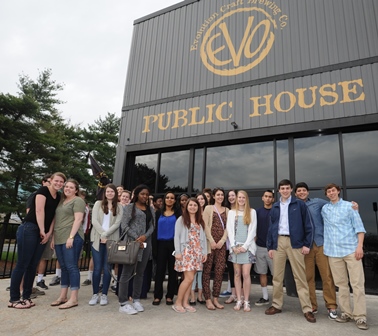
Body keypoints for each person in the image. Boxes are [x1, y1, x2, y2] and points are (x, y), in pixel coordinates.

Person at [8, 172, 66, 309]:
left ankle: (26, 297)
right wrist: (41, 230)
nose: (58, 184)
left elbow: (53, 217)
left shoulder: (58, 197)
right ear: (50, 180)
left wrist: (49, 233)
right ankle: (14, 299)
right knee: (22, 264)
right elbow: (39, 211)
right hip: (30, 229)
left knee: (32, 265)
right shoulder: (42, 191)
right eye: (56, 181)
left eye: (61, 182)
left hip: (44, 233)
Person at [265, 179, 316, 323]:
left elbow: (309, 225)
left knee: (300, 277)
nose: (285, 190)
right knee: (277, 277)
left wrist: (307, 244)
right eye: (282, 188)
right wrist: (270, 246)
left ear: (291, 189)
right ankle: (276, 305)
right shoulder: (275, 206)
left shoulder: (299, 204)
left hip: (296, 243)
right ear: (279, 190)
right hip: (279, 242)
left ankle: (307, 309)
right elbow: (271, 228)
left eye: (287, 188)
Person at [321, 183, 369, 330]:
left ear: (338, 191)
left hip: (351, 250)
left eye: (333, 190)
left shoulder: (350, 206)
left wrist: (360, 246)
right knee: (341, 285)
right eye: (328, 191)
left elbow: (359, 228)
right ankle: (346, 313)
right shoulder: (325, 209)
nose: (331, 193)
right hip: (333, 252)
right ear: (326, 194)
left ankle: (360, 316)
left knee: (357, 284)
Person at [118, 185, 155, 315]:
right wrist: (137, 238)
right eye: (142, 194)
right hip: (132, 243)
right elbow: (124, 225)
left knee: (140, 272)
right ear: (137, 194)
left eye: (147, 194)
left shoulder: (150, 209)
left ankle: (136, 299)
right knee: (127, 273)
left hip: (146, 244)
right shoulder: (129, 208)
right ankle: (123, 302)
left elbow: (152, 226)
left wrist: (145, 236)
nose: (144, 196)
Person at [50, 179, 86, 309]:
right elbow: (57, 220)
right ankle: (63, 296)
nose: (68, 189)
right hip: (59, 237)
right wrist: (53, 238)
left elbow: (78, 219)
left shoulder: (78, 201)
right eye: (66, 187)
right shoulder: (61, 201)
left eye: (71, 187)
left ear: (76, 190)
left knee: (71, 267)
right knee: (63, 267)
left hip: (72, 237)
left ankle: (74, 298)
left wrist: (71, 237)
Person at [88, 184, 123, 306]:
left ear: (115, 193)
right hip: (97, 239)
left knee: (107, 268)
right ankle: (94, 294)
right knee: (97, 268)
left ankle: (104, 295)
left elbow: (117, 223)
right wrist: (102, 234)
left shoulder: (119, 206)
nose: (109, 193)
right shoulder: (98, 204)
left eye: (112, 192)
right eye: (107, 191)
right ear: (105, 193)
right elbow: (94, 221)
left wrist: (106, 235)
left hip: (111, 240)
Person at [172, 198, 207, 313]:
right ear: (187, 206)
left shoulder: (200, 220)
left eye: (195, 205)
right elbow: (176, 236)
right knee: (189, 278)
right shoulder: (181, 220)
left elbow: (203, 239)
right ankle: (177, 303)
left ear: (198, 207)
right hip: (186, 252)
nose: (193, 207)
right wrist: (177, 252)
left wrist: (204, 252)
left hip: (197, 253)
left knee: (190, 280)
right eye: (190, 205)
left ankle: (185, 303)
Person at [227, 190, 257, 312]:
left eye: (243, 197)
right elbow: (229, 230)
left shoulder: (252, 212)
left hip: (247, 248)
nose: (241, 199)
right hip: (235, 249)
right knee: (237, 274)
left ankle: (246, 301)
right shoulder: (231, 213)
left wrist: (245, 246)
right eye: (239, 197)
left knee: (245, 274)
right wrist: (233, 246)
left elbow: (253, 230)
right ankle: (239, 300)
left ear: (246, 199)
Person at [25, 174, 53, 290]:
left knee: (43, 257)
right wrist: (39, 228)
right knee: (27, 258)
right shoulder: (37, 194)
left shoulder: (55, 197)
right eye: (48, 181)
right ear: (43, 182)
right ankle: (22, 285)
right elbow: (29, 211)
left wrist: (48, 232)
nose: (50, 183)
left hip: (46, 232)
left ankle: (39, 280)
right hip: (34, 229)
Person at [202, 187, 228, 310]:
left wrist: (222, 241)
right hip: (209, 244)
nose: (220, 197)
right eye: (218, 195)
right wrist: (211, 241)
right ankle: (208, 299)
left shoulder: (227, 210)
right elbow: (205, 225)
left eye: (222, 195)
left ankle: (216, 298)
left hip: (221, 246)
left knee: (219, 271)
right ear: (213, 196)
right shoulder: (208, 208)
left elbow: (228, 228)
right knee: (206, 271)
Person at [152, 191, 180, 306]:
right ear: (164, 200)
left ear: (174, 200)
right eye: (167, 197)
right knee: (159, 271)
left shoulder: (178, 214)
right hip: (160, 244)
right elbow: (154, 230)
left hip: (173, 244)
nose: (169, 199)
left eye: (172, 198)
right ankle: (157, 296)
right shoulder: (158, 213)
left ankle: (169, 296)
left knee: (173, 271)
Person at [254, 190, 274, 306]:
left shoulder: (276, 211)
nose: (267, 199)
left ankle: (276, 299)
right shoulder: (257, 212)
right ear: (262, 198)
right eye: (266, 196)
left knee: (276, 275)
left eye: (270, 197)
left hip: (273, 248)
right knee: (262, 273)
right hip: (259, 247)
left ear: (273, 199)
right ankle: (265, 297)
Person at [189, 193, 209, 305]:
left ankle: (200, 297)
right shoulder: (191, 215)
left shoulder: (206, 213)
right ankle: (192, 297)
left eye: (202, 199)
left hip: (202, 248)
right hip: (191, 250)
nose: (200, 201)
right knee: (192, 275)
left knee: (201, 273)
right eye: (198, 199)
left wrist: (204, 251)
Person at [222, 189, 238, 303]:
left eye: (233, 195)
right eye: (229, 196)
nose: (231, 197)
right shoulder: (226, 210)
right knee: (231, 270)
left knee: (240, 271)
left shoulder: (242, 210)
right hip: (228, 245)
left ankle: (240, 294)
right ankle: (233, 293)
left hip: (240, 246)